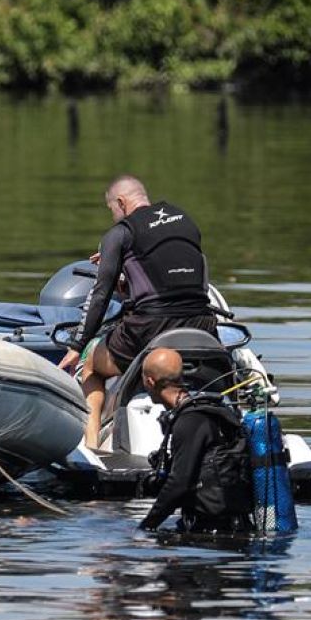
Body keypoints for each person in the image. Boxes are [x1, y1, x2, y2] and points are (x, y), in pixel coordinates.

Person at [58, 175, 217, 449]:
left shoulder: (120, 233)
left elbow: (99, 296)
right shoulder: (185, 220)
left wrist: (77, 345)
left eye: (112, 211)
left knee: (91, 366)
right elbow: (173, 275)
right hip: (202, 325)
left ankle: (92, 447)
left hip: (150, 329)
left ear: (120, 202)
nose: (113, 218)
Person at [138, 347, 254, 533]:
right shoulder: (208, 410)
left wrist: (145, 527)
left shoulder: (189, 420)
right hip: (234, 525)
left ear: (150, 381)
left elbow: (179, 483)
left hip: (213, 534)